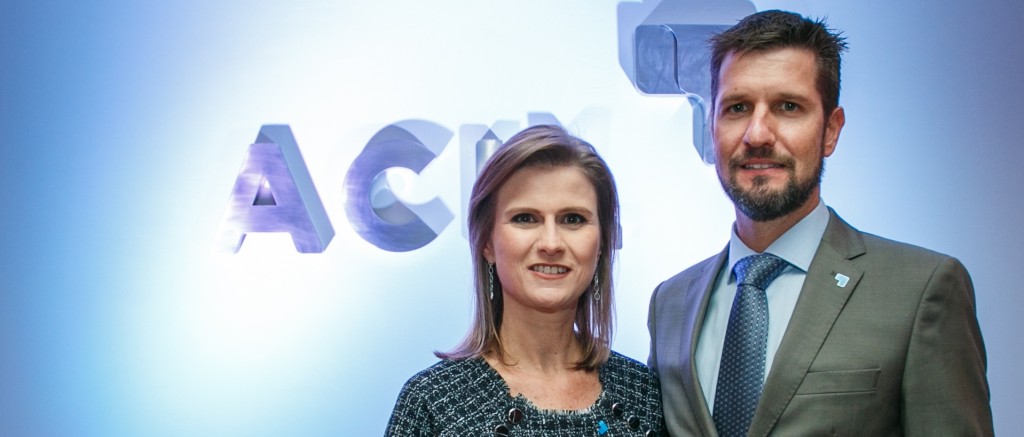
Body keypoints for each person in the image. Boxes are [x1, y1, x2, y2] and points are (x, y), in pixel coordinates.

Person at [647, 10, 993, 436]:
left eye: (788, 107)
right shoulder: (671, 304)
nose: (757, 134)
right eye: (737, 108)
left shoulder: (921, 291)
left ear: (830, 130)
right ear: (712, 127)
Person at [386, 125, 666, 436]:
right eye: (525, 218)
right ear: (487, 243)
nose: (551, 243)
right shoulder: (432, 403)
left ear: (601, 243)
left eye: (573, 219)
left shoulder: (645, 395)